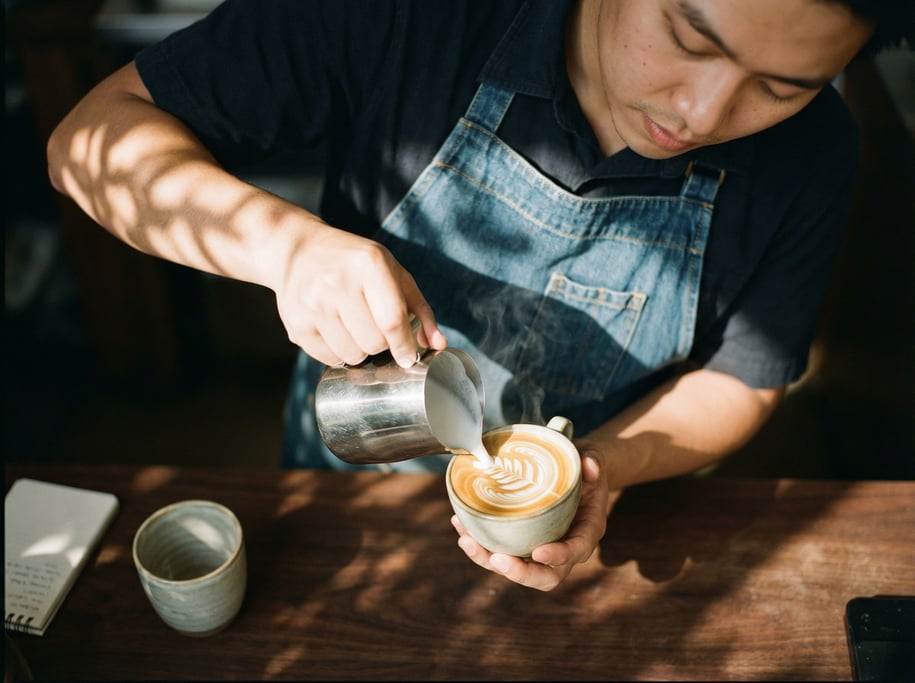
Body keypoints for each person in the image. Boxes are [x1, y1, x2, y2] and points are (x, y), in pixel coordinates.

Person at [47, 0, 912, 591]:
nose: (702, 110)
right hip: (352, 480)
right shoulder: (414, 16)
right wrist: (282, 248)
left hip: (582, 526)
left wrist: (604, 471)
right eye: (691, 37)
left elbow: (747, 376)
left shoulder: (814, 155)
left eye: (781, 85)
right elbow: (90, 135)